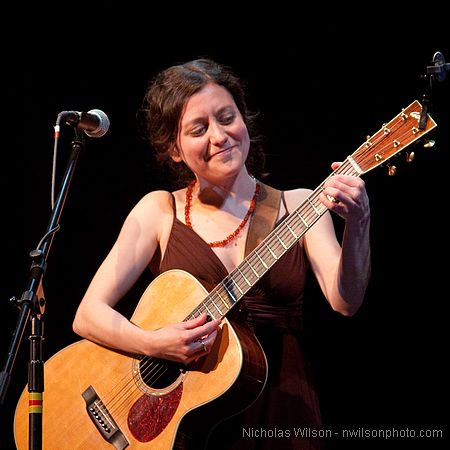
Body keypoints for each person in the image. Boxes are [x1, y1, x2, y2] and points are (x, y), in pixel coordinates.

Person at [72, 58, 371, 449]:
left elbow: (345, 300)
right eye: (199, 128)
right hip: (190, 423)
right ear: (174, 149)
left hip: (281, 416)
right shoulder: (159, 211)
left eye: (227, 117)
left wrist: (359, 223)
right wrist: (154, 343)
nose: (219, 135)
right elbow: (88, 315)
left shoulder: (299, 205)